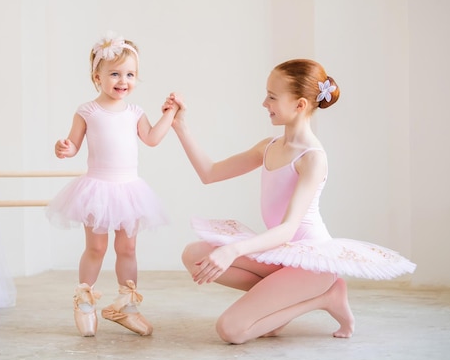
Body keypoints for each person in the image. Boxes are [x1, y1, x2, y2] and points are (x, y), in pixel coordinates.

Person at [164, 59, 416, 344]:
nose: (264, 103)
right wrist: (180, 126)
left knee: (231, 330)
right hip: (281, 255)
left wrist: (233, 250)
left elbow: (288, 228)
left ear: (299, 105)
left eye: (272, 97)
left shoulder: (312, 158)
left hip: (312, 264)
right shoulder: (269, 147)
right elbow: (209, 173)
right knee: (193, 254)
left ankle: (326, 297)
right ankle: (277, 306)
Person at [46, 32, 178, 337]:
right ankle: (85, 300)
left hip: (129, 189)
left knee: (128, 248)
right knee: (96, 247)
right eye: (115, 74)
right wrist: (63, 148)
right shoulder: (87, 111)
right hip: (97, 189)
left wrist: (170, 113)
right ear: (97, 76)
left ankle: (126, 305)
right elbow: (73, 146)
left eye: (130, 74)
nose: (123, 80)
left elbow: (152, 139)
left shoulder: (135, 112)